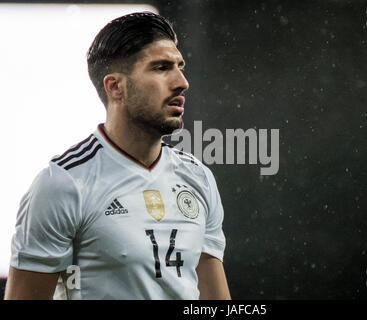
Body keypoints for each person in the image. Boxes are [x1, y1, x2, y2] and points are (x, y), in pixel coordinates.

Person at [4, 12, 231, 300]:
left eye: (179, 66)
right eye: (161, 68)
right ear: (115, 87)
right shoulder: (63, 184)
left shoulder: (198, 177)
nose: (181, 82)